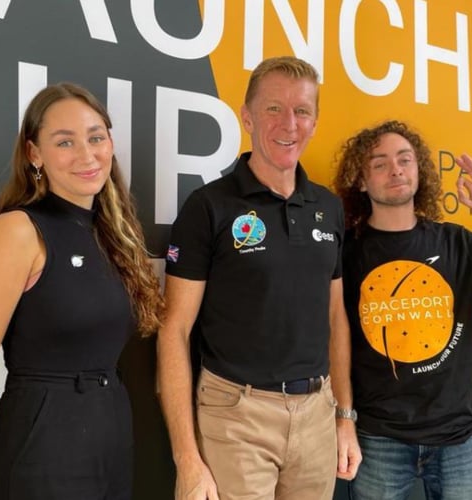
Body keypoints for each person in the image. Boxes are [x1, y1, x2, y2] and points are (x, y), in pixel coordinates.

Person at [0, 82, 163, 500]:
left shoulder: (111, 233)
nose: (86, 154)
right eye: (65, 142)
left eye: (95, 137)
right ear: (34, 154)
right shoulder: (18, 232)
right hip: (42, 452)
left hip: (111, 441)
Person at [157, 56, 362, 500]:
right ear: (247, 117)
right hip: (236, 416)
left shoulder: (327, 208)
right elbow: (174, 330)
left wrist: (344, 416)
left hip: (316, 416)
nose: (289, 123)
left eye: (302, 111)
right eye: (274, 108)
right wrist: (186, 458)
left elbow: (335, 316)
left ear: (314, 121)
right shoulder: (208, 207)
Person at [331, 120, 472, 500]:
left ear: (420, 171)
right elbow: (337, 341)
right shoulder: (346, 252)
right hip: (379, 437)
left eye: (405, 159)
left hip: (458, 439)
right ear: (362, 180)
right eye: (380, 163)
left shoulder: (456, 243)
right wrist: (345, 419)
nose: (396, 169)